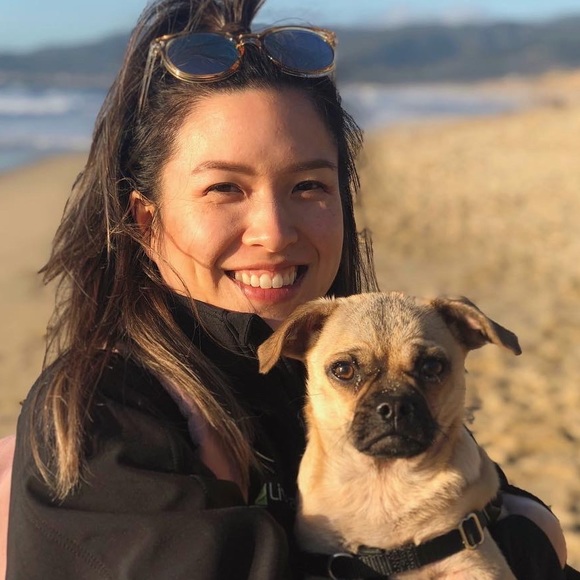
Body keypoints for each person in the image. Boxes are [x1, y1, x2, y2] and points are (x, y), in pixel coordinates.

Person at [3, 0, 577, 578]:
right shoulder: (106, 418)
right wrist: (527, 543)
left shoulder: (318, 353)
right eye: (225, 188)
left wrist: (520, 521)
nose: (274, 232)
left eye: (307, 186)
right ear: (146, 221)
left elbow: (471, 492)